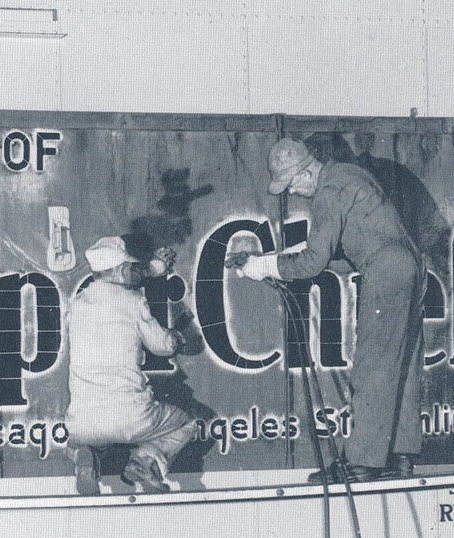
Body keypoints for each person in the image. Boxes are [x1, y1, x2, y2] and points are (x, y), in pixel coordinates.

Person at [232, 137, 426, 483]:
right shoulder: (348, 174)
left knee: (372, 366)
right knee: (403, 363)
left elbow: (313, 262)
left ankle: (361, 463)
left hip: (385, 270)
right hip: (410, 265)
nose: (294, 193)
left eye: (291, 185)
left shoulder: (327, 192)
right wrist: (270, 260)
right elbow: (338, 245)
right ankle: (400, 456)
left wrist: (263, 267)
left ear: (305, 172)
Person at [64, 236, 196, 494]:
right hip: (131, 416)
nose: (135, 271)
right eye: (131, 267)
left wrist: (152, 270)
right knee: (187, 424)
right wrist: (178, 337)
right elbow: (163, 346)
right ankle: (145, 461)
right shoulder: (133, 301)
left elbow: (127, 281)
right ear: (122, 268)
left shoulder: (77, 304)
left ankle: (83, 458)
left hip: (82, 422)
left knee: (77, 441)